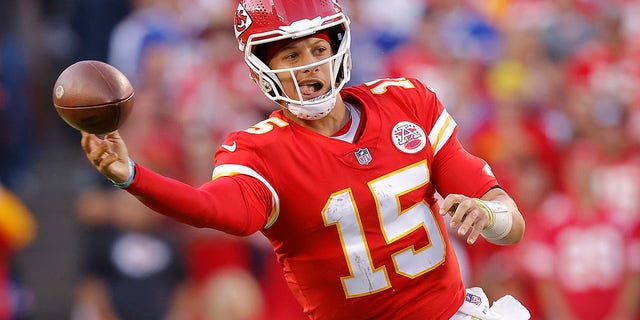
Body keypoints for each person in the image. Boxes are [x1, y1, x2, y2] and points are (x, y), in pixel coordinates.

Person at [79, 1, 529, 319]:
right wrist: (133, 176)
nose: (309, 65)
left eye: (317, 49)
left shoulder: (407, 102)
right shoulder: (258, 150)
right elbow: (216, 210)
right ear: (261, 68)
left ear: (338, 47)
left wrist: (486, 212)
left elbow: (511, 223)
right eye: (291, 54)